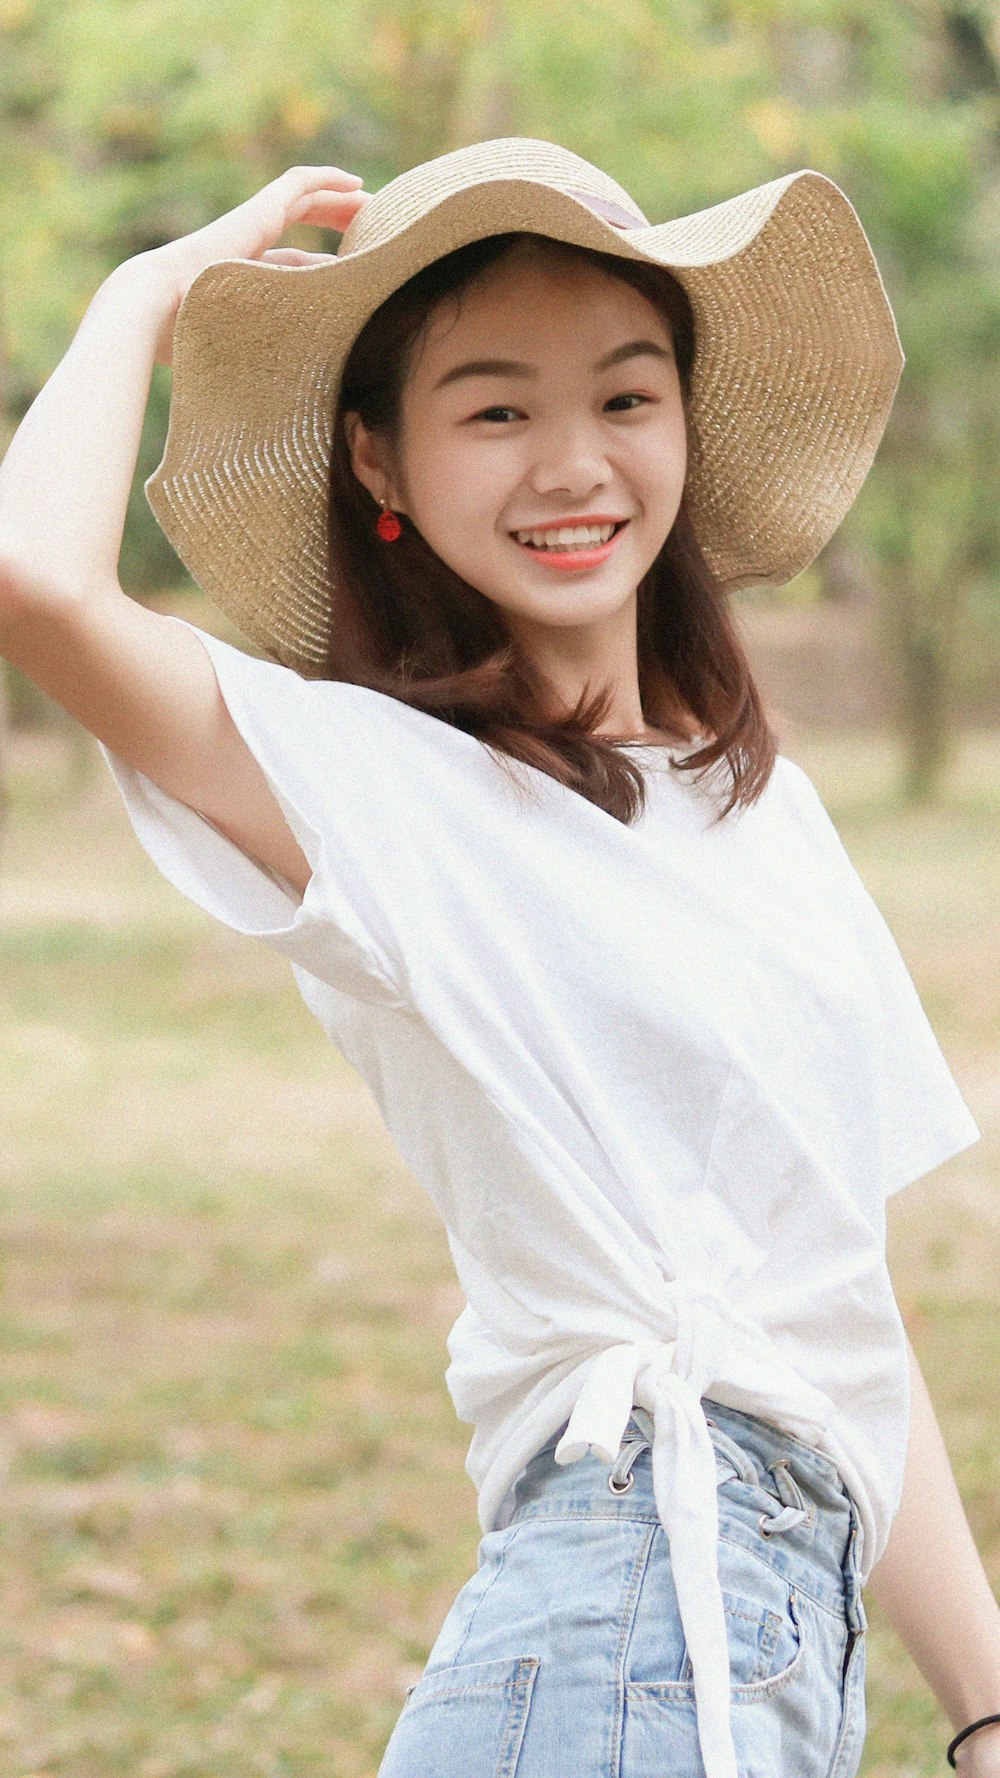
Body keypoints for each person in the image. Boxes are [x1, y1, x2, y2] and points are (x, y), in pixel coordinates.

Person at [0, 136, 996, 1778]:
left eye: (623, 396)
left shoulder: (771, 820)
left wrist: (981, 1701)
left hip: (779, 1657)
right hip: (621, 1625)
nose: (574, 465)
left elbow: (835, 1315)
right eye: (495, 410)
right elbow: (39, 586)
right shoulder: (371, 785)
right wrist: (149, 291)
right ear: (380, 464)